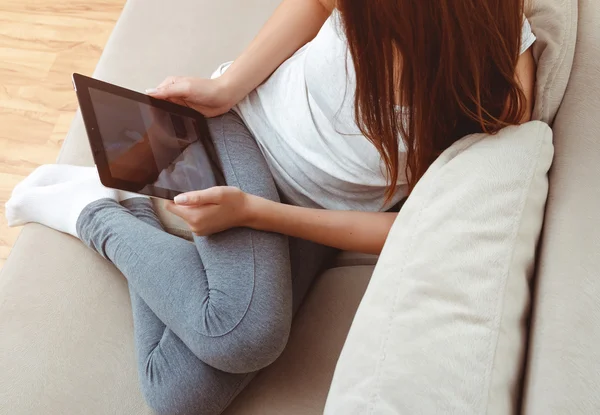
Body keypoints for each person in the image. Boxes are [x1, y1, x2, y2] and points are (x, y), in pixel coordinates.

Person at [5, 0, 537, 414]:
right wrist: (225, 88)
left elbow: (417, 228)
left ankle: (124, 209)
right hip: (246, 133)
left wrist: (256, 215)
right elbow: (313, 5)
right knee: (243, 335)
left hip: (304, 218)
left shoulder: (500, 88)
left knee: (175, 396)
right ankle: (95, 216)